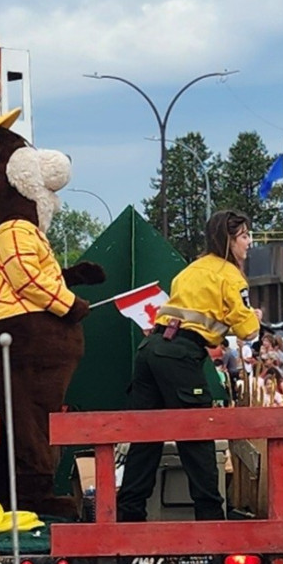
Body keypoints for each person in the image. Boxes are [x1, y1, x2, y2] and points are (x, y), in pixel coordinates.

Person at [118, 210, 261, 524]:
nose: (249, 243)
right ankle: (210, 522)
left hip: (151, 349)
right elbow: (249, 330)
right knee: (197, 439)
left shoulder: (190, 270)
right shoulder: (230, 276)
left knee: (145, 439)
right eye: (244, 236)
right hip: (181, 355)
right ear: (229, 240)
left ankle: (128, 520)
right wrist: (256, 319)